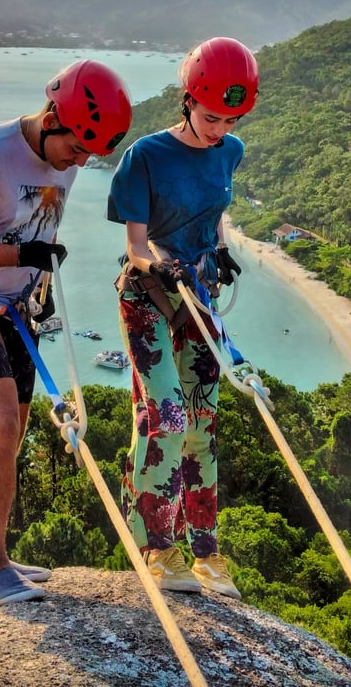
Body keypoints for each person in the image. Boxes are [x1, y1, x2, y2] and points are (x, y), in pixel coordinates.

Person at [0, 60, 132, 606]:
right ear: (53, 116)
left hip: (14, 308)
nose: (79, 161)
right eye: (77, 148)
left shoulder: (71, 154)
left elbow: (40, 220)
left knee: (11, 433)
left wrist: (35, 273)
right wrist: (20, 254)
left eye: (88, 154)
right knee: (1, 428)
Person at [108, 36, 259, 600]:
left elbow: (214, 213)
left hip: (201, 296)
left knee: (204, 426)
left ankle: (206, 552)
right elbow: (136, 247)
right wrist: (164, 267)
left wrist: (218, 248)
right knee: (165, 414)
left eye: (231, 118)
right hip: (149, 297)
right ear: (188, 100)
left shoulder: (230, 150)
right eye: (211, 115)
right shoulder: (145, 156)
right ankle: (157, 547)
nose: (220, 128)